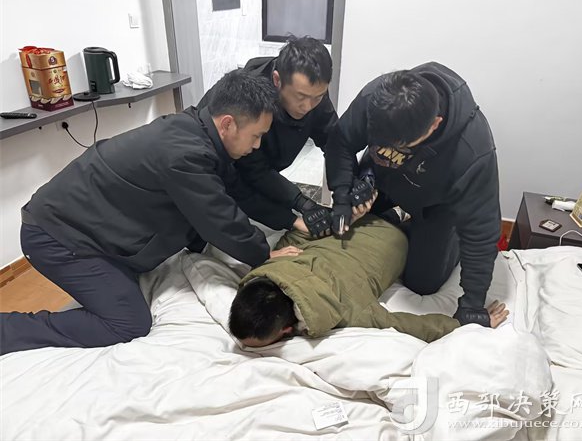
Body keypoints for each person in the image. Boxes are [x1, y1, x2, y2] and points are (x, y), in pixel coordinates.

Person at [0, 70, 303, 355]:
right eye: (256, 136)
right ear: (227, 124)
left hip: (85, 225)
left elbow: (239, 193)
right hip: (56, 236)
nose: (257, 145)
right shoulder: (185, 154)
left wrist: (292, 219)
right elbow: (220, 219)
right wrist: (263, 254)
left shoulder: (199, 135)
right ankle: (7, 331)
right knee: (129, 323)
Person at [325, 62, 501, 327]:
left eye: (397, 147)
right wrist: (342, 195)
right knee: (345, 233)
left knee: (423, 284)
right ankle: (394, 216)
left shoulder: (472, 152)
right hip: (380, 181)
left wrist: (472, 305)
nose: (385, 151)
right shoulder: (377, 98)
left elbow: (482, 232)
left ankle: (437, 230)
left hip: (435, 205)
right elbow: (341, 140)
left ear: (434, 125)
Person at [229, 214, 509, 348]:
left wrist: (465, 323)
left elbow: (409, 325)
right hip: (362, 218)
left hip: (401, 238)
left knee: (428, 279)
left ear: (287, 329)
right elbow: (297, 234)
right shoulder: (277, 261)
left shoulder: (347, 310)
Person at [199, 36, 338, 237]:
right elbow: (251, 173)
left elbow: (335, 140)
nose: (308, 107)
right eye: (300, 97)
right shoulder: (250, 99)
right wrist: (299, 205)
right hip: (217, 171)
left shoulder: (311, 90)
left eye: (317, 97)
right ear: (276, 80)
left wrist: (344, 189)